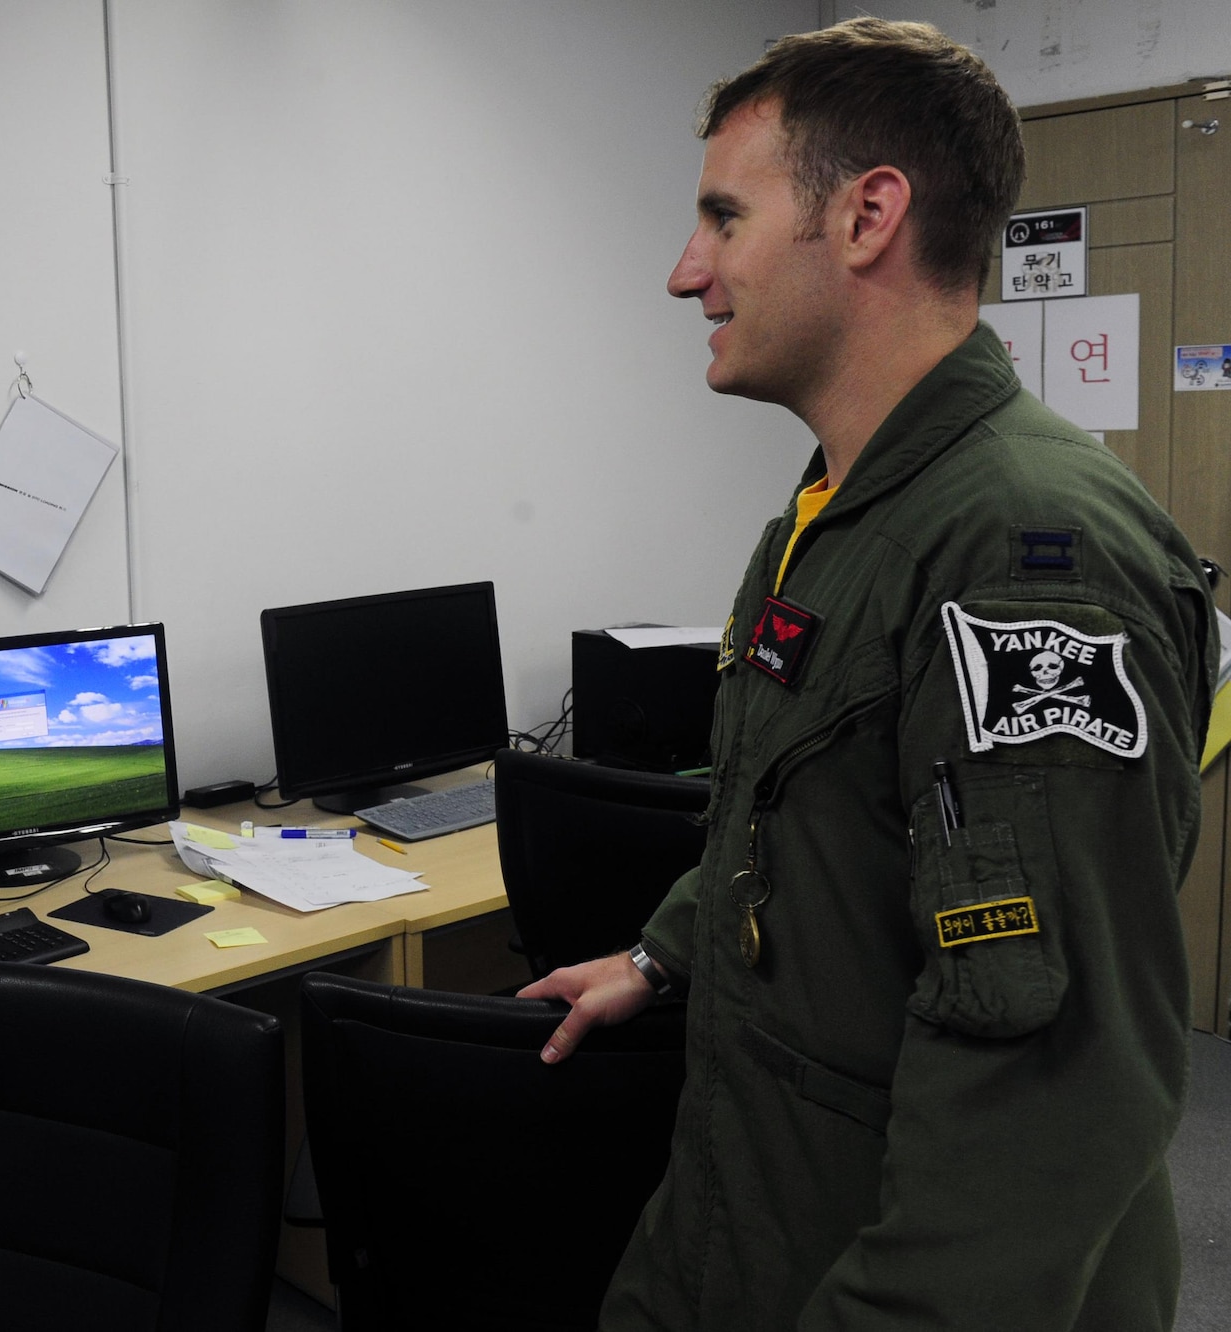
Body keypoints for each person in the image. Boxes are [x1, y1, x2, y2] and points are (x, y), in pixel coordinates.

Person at [519, 19, 1217, 1330]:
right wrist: (663, 956)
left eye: (725, 217)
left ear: (865, 217)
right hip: (760, 1199)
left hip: (901, 1262)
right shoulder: (845, 504)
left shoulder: (1020, 550)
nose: (687, 272)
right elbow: (805, 814)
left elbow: (1051, 1081)